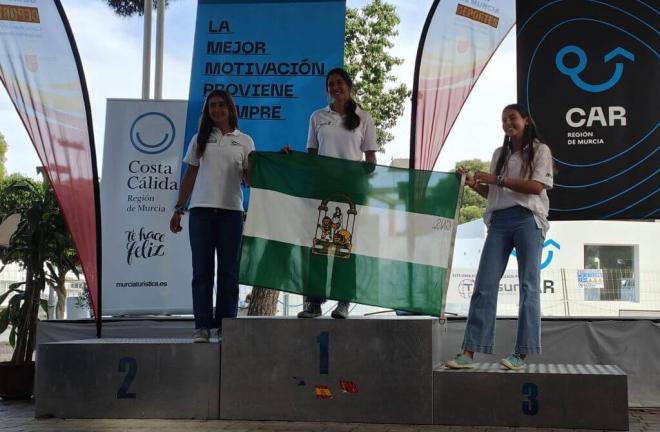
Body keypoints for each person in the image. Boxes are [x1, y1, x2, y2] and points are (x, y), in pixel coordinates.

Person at [445, 103, 553, 370]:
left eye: (512, 118)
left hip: (528, 219)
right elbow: (494, 195)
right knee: (484, 285)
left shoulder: (539, 150)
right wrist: (476, 185)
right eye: (503, 120)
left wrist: (497, 180)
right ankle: (469, 353)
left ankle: (522, 353)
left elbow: (536, 187)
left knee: (529, 286)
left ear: (526, 120)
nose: (508, 123)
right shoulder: (499, 154)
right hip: (499, 222)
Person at [170, 89, 255, 343]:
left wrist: (255, 168)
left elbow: (249, 180)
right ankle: (202, 327)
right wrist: (178, 208)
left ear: (230, 108)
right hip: (201, 213)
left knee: (229, 273)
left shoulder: (245, 141)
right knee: (202, 272)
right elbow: (191, 175)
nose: (216, 110)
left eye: (221, 105)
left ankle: (226, 326)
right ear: (207, 111)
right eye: (212, 106)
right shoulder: (200, 139)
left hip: (231, 213)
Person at [293, 67, 378, 319]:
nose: (335, 87)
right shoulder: (317, 117)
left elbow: (371, 159)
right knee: (317, 247)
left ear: (349, 86)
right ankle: (314, 303)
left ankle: (343, 301)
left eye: (339, 82)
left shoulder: (364, 117)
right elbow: (312, 156)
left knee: (345, 247)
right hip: (322, 190)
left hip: (351, 192)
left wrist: (358, 172)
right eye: (330, 84)